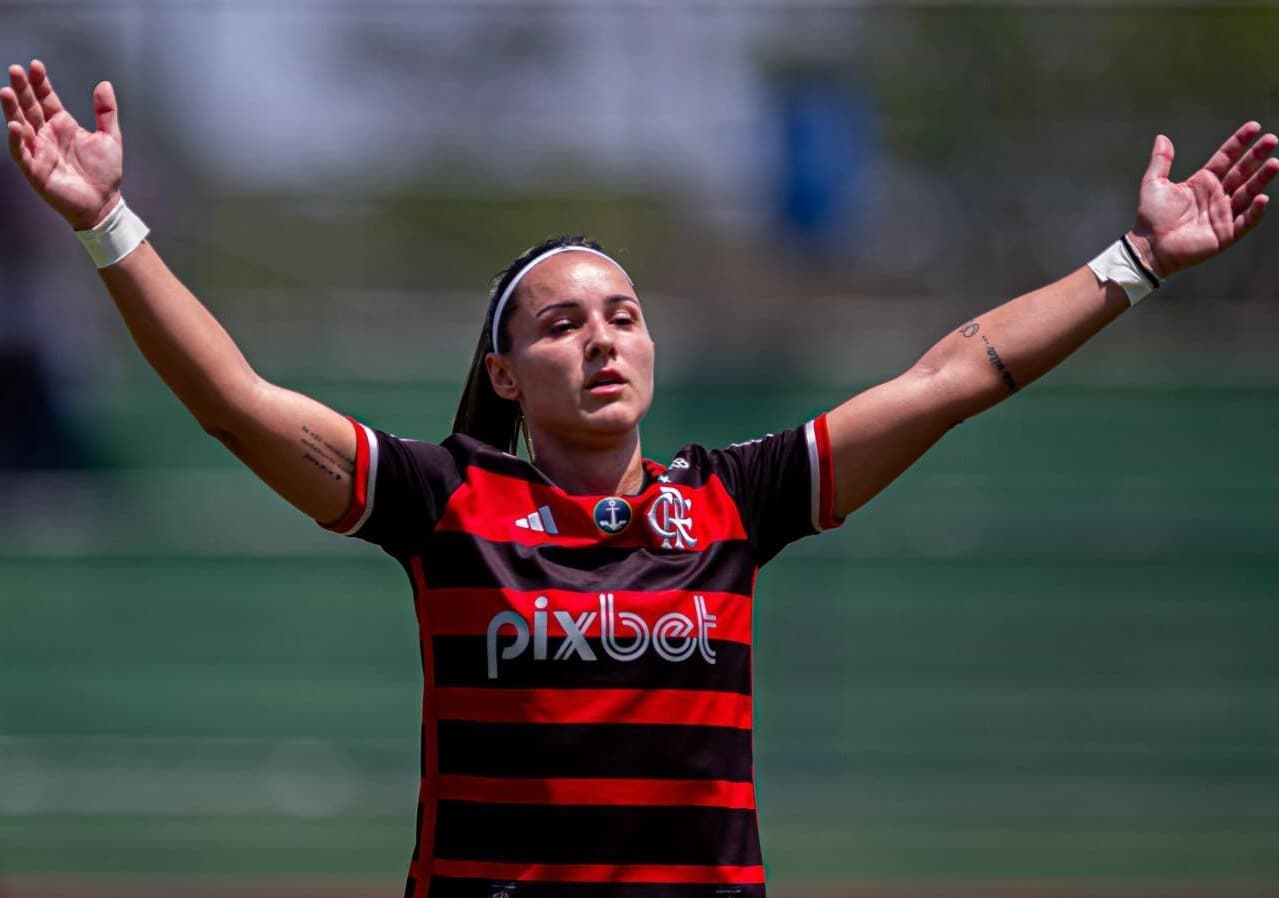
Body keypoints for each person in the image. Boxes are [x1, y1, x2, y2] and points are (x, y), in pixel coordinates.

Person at [4, 59, 1276, 898]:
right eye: (559, 323)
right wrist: (107, 226)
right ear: (501, 372)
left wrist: (1134, 263)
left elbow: (959, 369)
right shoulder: (446, 503)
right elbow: (235, 403)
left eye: (621, 312)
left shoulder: (734, 500)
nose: (601, 337)